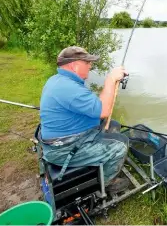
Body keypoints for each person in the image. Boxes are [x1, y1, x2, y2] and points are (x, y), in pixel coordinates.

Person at [39, 46, 130, 194]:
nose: (90, 65)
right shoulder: (69, 88)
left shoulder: (58, 80)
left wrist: (111, 83)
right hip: (64, 149)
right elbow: (103, 111)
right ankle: (107, 183)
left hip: (65, 138)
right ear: (75, 65)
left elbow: (96, 107)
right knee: (121, 145)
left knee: (114, 125)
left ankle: (100, 160)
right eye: (87, 62)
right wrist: (111, 79)